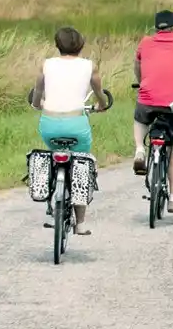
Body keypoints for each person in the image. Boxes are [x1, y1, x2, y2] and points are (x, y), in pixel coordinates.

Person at [30, 26, 112, 236]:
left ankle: (51, 197)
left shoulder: (46, 65)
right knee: (81, 163)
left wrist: (37, 104)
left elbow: (37, 94)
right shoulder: (89, 66)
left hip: (49, 124)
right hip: (77, 125)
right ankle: (81, 222)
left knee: (52, 155)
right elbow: (99, 93)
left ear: (57, 45)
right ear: (81, 45)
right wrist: (102, 104)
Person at [133, 9, 173, 213]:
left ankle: (139, 150)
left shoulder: (145, 43)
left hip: (148, 98)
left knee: (141, 118)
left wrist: (141, 81)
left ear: (156, 27)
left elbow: (138, 64)